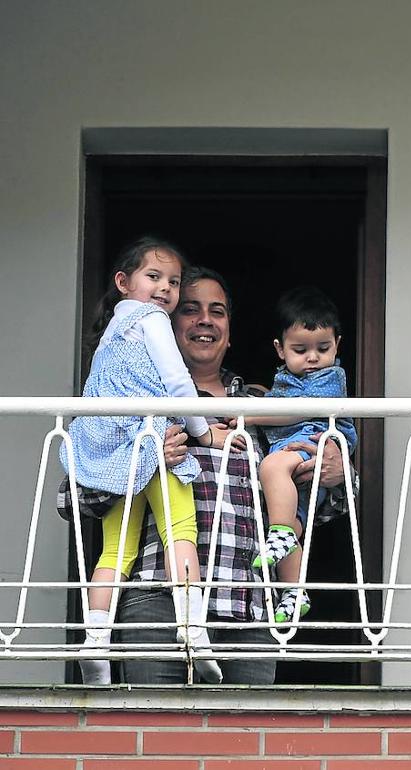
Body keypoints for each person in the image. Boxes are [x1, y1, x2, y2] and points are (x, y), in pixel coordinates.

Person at [58, 266, 353, 684]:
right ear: (165, 322)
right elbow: (73, 499)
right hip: (157, 602)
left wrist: (338, 475)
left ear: (229, 332)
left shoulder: (267, 404)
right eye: (190, 309)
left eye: (217, 311)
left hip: (248, 605)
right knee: (152, 738)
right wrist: (138, 460)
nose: (205, 320)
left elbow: (321, 508)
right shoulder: (130, 403)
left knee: (248, 743)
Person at [59, 237, 233, 685]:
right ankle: (194, 632)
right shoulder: (152, 319)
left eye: (172, 281)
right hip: (154, 438)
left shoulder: (111, 334)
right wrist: (204, 431)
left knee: (114, 549)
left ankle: (95, 642)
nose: (165, 290)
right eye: (154, 277)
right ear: (124, 281)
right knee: (181, 529)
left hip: (114, 448)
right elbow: (176, 382)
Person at [250, 286, 357, 624]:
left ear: (337, 345)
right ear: (280, 350)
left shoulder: (331, 376)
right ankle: (294, 593)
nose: (313, 358)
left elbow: (299, 410)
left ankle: (281, 536)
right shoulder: (284, 379)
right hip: (297, 451)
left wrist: (248, 413)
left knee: (271, 466)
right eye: (300, 349)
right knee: (290, 523)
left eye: (322, 348)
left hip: (312, 442)